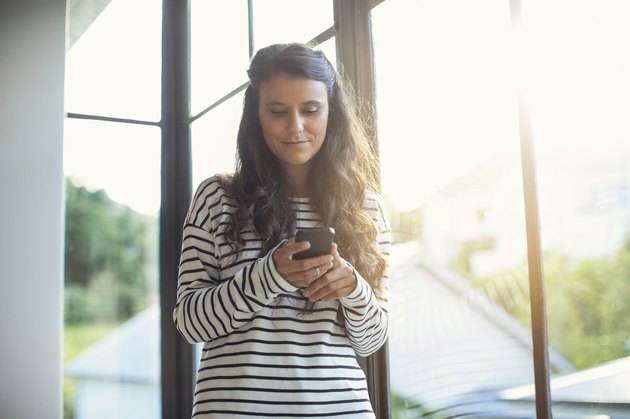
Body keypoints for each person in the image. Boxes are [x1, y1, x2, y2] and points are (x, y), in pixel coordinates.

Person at [173, 42, 390, 418]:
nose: (296, 127)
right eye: (277, 112)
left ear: (331, 113)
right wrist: (270, 274)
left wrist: (353, 290)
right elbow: (191, 322)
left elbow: (371, 340)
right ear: (256, 116)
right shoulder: (217, 196)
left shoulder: (366, 208)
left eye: (311, 110)